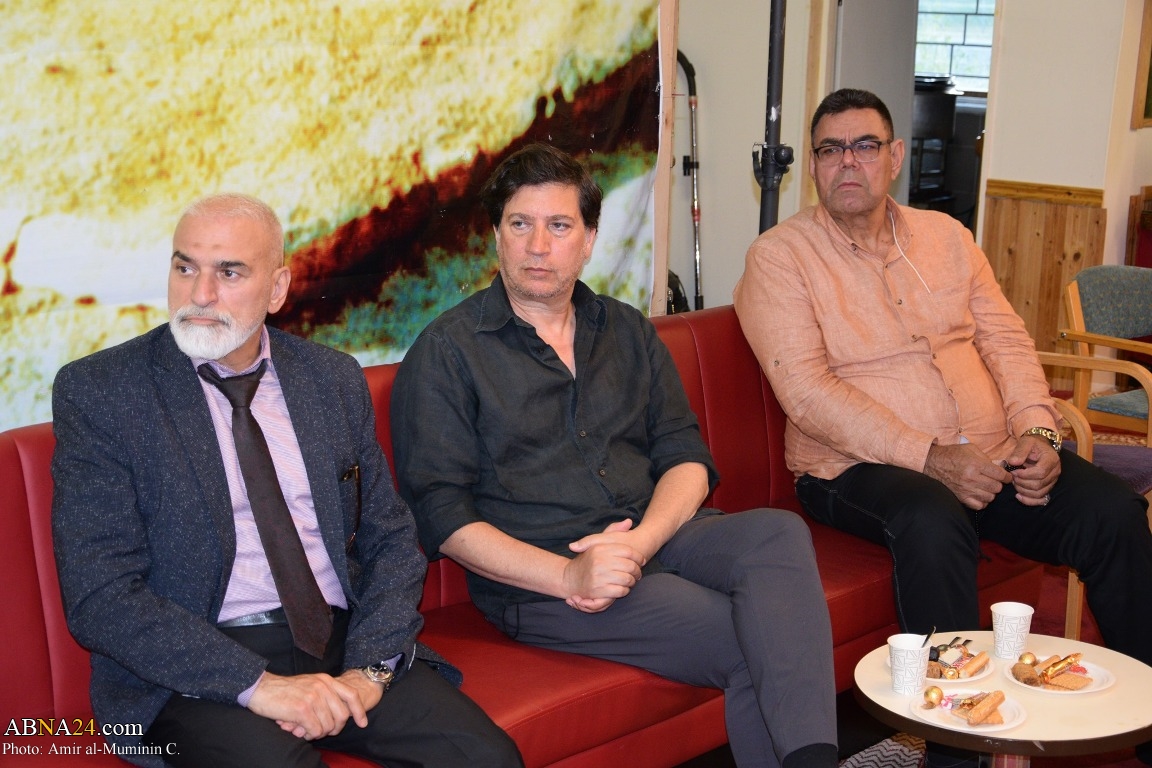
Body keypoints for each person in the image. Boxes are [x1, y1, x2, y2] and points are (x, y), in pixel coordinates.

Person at [733, 89, 1152, 767]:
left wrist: (1040, 433)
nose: (848, 162)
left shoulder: (948, 238)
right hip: (851, 468)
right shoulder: (780, 258)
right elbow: (808, 394)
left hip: (987, 455)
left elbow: (1007, 343)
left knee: (1112, 514)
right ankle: (961, 751)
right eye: (831, 149)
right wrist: (929, 456)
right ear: (811, 166)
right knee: (933, 517)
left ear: (895, 156)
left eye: (865, 145)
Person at [390, 143, 839, 768]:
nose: (537, 246)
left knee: (778, 534)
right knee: (751, 637)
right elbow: (442, 518)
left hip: (655, 536)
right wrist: (570, 576)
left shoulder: (626, 330)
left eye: (559, 226)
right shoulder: (446, 353)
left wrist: (641, 545)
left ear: (589, 239)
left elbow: (685, 455)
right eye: (519, 224)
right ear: (496, 236)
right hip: (546, 578)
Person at [51, 194, 522, 768]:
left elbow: (392, 540)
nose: (201, 294)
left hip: (341, 640)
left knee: (487, 757)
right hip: (191, 670)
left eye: (229, 272)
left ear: (277, 289)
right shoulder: (103, 392)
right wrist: (257, 684)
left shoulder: (329, 379)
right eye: (185, 267)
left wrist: (370, 670)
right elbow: (100, 595)